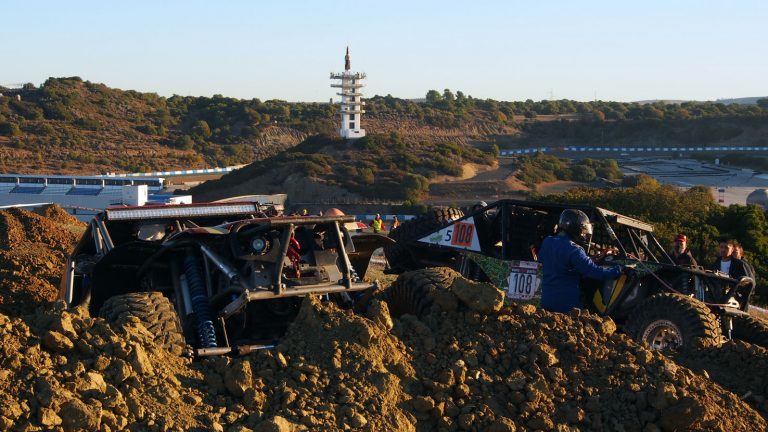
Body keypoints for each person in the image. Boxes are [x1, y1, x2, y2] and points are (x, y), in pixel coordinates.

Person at [538, 209, 624, 313]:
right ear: (576, 229)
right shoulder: (575, 250)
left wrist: (589, 260)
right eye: (583, 231)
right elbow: (594, 272)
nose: (584, 234)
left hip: (546, 300)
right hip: (567, 305)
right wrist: (618, 270)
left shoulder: (548, 241)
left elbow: (554, 262)